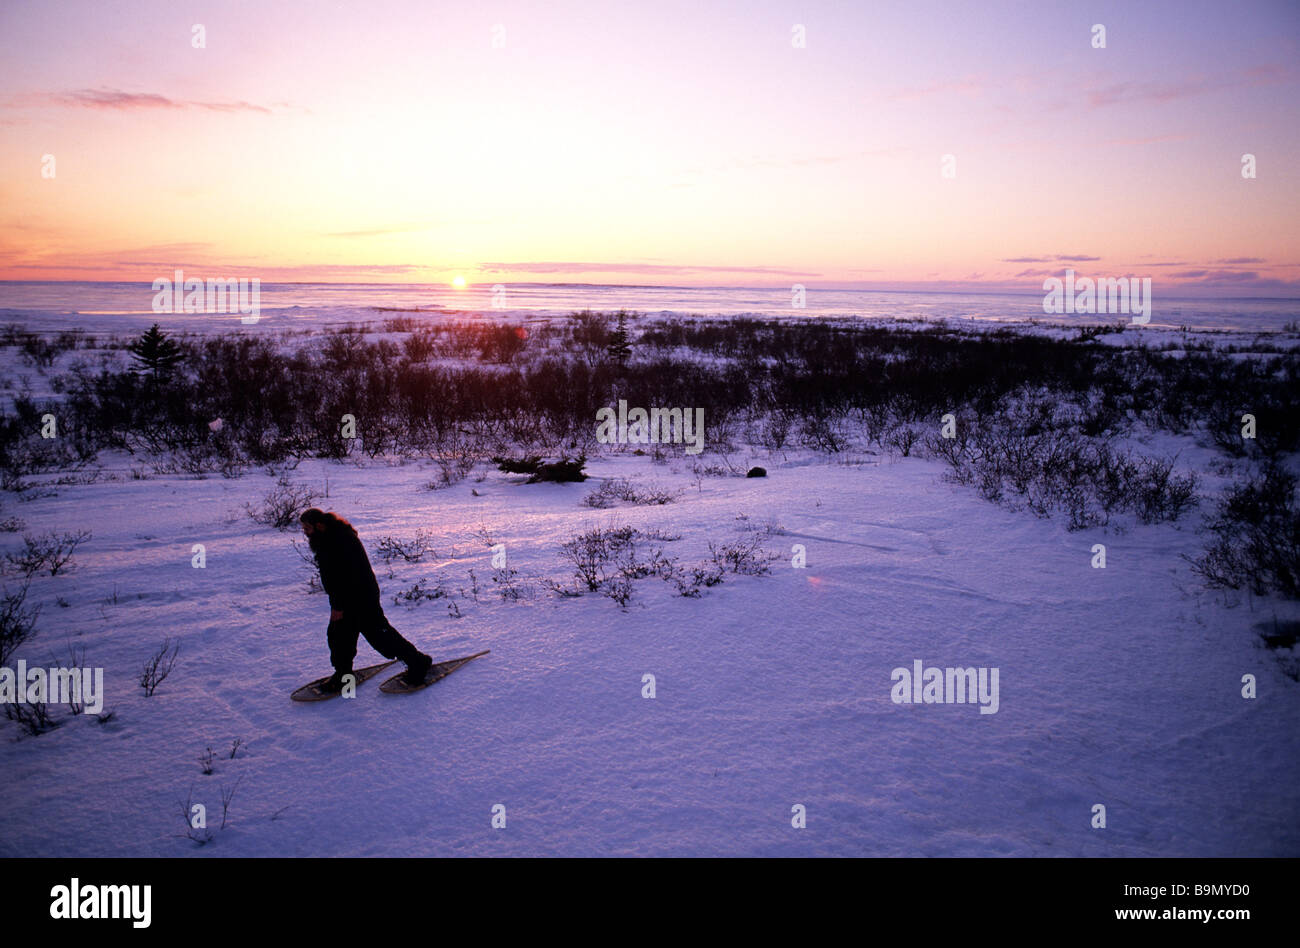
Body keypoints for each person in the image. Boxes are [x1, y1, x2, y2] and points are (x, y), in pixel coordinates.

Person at [299, 508, 432, 691]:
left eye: (307, 528)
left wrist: (338, 606)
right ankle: (343, 676)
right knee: (339, 636)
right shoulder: (328, 539)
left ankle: (418, 662)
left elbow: (344, 577)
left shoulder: (339, 540)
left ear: (319, 525)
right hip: (348, 598)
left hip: (360, 597)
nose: (305, 532)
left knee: (380, 636)